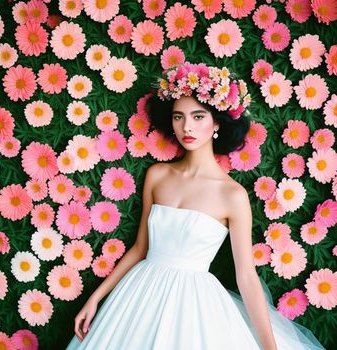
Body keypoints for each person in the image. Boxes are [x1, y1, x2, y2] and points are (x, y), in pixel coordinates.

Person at [66, 62, 325, 349]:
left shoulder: (232, 195)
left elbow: (247, 277)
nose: (186, 126)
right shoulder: (157, 175)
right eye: (179, 117)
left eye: (198, 116)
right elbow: (141, 248)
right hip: (139, 295)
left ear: (216, 123)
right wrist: (95, 298)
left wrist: (270, 348)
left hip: (193, 305)